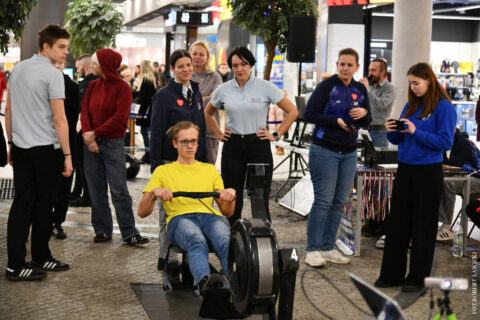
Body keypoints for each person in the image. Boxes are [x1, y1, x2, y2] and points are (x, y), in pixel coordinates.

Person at [375, 62, 456, 293]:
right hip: (406, 169)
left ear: (429, 80)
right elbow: (399, 141)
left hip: (428, 172)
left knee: (423, 226)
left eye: (416, 83)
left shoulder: (444, 108)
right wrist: (393, 130)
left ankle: (417, 278)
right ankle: (391, 274)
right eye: (410, 83)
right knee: (398, 223)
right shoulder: (411, 105)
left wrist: (415, 131)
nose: (413, 87)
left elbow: (445, 142)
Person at [5, 24, 73, 281]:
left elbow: (9, 110)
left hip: (22, 148)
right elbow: (60, 119)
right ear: (46, 46)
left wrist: (11, 143)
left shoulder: (19, 69)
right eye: (61, 47)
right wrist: (67, 156)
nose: (66, 52)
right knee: (43, 205)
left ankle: (26, 260)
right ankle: (31, 259)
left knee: (22, 204)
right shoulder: (53, 74)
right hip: (46, 150)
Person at [138, 121, 235, 294]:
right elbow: (142, 212)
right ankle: (206, 286)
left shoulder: (209, 170)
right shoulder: (162, 171)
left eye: (193, 141)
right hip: (180, 218)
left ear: (198, 142)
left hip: (209, 216)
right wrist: (153, 194)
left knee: (225, 240)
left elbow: (227, 211)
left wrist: (230, 196)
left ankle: (235, 285)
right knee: (196, 240)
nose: (190, 146)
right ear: (175, 143)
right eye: (184, 142)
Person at [204, 46, 298, 224]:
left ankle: (263, 240)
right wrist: (218, 133)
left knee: (259, 197)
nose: (239, 69)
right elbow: (207, 113)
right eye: (235, 65)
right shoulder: (223, 89)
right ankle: (231, 240)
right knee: (231, 195)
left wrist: (276, 134)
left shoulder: (265, 87)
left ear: (251, 65)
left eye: (243, 64)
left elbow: (292, 111)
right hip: (233, 146)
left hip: (258, 144)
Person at [303, 48, 371, 268]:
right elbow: (309, 114)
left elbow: (367, 120)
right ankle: (312, 249)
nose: (345, 68)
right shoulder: (326, 86)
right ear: (337, 64)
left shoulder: (360, 89)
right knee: (323, 201)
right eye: (342, 64)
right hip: (325, 150)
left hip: (349, 152)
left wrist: (364, 115)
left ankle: (327, 247)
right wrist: (335, 122)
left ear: (356, 67)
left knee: (340, 202)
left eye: (349, 65)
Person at [81, 48, 148, 246]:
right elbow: (84, 111)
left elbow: (119, 118)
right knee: (96, 190)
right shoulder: (92, 86)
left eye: (95, 63)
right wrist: (90, 137)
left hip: (112, 144)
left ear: (106, 65)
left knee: (119, 190)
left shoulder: (122, 88)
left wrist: (96, 133)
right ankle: (102, 230)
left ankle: (129, 232)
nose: (91, 66)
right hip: (91, 144)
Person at [150, 49, 208, 271]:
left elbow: (200, 128)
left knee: (192, 210)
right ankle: (167, 256)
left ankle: (188, 254)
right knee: (169, 211)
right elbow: (156, 133)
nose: (186, 69)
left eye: (189, 65)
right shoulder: (163, 96)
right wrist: (156, 169)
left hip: (193, 163)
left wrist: (203, 162)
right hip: (169, 162)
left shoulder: (196, 91)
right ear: (172, 69)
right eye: (181, 66)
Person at [52, 61, 80, 240]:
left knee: (64, 183)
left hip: (66, 141)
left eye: (59, 63)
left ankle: (57, 222)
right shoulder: (40, 83)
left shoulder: (70, 86)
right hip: (44, 142)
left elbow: (72, 117)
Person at [436, 128, 480, 241]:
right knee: (436, 181)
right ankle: (434, 222)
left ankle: (446, 227)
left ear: (453, 130)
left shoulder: (463, 143)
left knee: (449, 183)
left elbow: (455, 165)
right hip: (465, 177)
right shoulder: (448, 143)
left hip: (476, 178)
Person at [70, 54, 98, 207]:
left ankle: (86, 196)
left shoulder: (87, 85)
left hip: (85, 130)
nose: (77, 70)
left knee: (83, 164)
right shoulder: (93, 83)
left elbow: (82, 109)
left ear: (85, 67)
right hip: (89, 130)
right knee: (81, 164)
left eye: (78, 67)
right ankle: (78, 192)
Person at [190, 40, 223, 164]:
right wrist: (206, 98)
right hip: (186, 130)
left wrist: (193, 100)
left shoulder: (215, 77)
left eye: (201, 54)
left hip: (209, 131)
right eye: (195, 53)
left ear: (207, 57)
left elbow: (217, 100)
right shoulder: (184, 75)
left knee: (208, 169)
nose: (197, 57)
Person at [359, 59, 396, 148]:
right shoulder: (369, 86)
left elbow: (381, 104)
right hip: (365, 130)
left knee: (378, 160)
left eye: (373, 70)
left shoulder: (389, 88)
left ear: (382, 72)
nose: (370, 73)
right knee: (364, 159)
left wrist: (366, 90)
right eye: (369, 70)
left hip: (380, 132)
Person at [135, 60, 157, 164]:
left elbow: (144, 98)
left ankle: (148, 154)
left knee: (144, 131)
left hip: (146, 110)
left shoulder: (145, 79)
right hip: (151, 108)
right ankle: (149, 153)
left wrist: (140, 113)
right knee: (146, 131)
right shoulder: (152, 78)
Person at [268, 89, 288, 155]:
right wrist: (272, 125)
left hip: (285, 125)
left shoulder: (287, 105)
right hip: (277, 126)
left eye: (285, 96)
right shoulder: (274, 106)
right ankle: (278, 149)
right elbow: (271, 116)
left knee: (285, 137)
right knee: (277, 138)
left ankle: (282, 148)